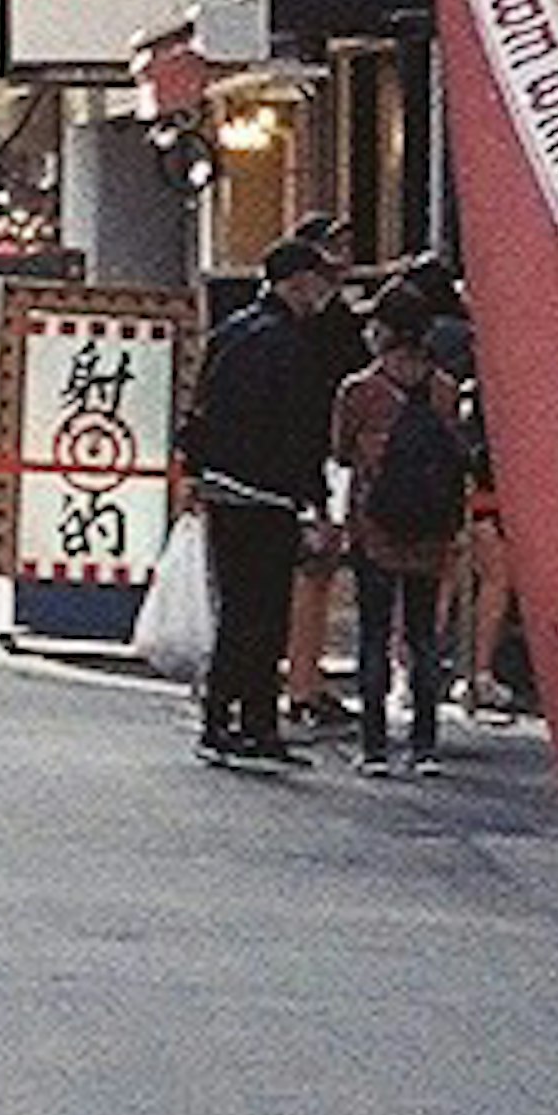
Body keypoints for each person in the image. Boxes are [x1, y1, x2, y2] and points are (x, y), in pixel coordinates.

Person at [183, 230, 347, 768]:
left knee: (239, 609)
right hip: (270, 493)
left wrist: (196, 471)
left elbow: (200, 408)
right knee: (264, 614)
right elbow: (302, 430)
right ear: (298, 283)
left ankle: (232, 719)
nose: (323, 292)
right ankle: (247, 723)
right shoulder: (292, 345)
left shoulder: (230, 332)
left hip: (224, 487)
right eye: (319, 280)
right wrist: (316, 502)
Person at [334, 278, 474, 776]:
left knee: (373, 633)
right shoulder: (444, 389)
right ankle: (425, 745)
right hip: (432, 526)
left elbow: (341, 452)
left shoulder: (360, 390)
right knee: (422, 635)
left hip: (376, 524)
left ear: (383, 330)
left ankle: (373, 747)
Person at [280, 220, 373, 735]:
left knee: (308, 574)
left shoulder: (292, 322)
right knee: (311, 572)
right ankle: (302, 683)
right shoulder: (324, 321)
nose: (343, 257)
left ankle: (300, 678)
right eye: (334, 247)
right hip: (319, 457)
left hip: (304, 458)